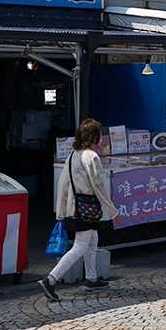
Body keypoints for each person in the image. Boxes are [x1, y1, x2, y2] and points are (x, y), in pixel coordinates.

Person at [40, 119, 119, 301]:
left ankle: (91, 278)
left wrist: (61, 212)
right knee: (80, 246)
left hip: (74, 208)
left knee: (92, 240)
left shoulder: (72, 156)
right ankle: (50, 279)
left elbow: (63, 185)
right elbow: (99, 186)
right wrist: (113, 211)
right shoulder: (92, 157)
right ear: (94, 138)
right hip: (86, 209)